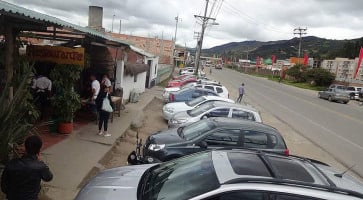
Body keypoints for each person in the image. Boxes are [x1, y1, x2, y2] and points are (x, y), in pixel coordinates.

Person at [1, 135, 53, 200]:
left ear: (25, 148)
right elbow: (49, 177)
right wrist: (41, 162)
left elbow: (4, 187)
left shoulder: (11, 164)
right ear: (39, 150)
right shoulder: (40, 166)